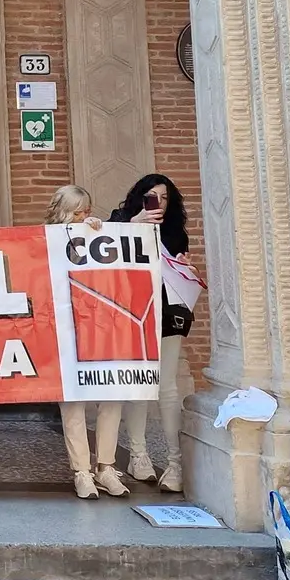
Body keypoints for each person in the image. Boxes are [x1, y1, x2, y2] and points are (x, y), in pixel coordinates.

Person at [112, 173, 201, 493]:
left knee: (167, 387)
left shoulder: (175, 233)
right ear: (139, 197)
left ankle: (175, 463)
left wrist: (184, 267)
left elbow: (176, 266)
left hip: (167, 312)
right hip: (133, 313)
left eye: (164, 198)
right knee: (138, 384)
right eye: (152, 196)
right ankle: (138, 456)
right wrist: (134, 223)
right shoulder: (120, 221)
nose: (158, 203)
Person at [44, 185, 131, 500]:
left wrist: (98, 235)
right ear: (64, 212)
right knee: (72, 402)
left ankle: (106, 466)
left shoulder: (99, 235)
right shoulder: (46, 239)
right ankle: (81, 470)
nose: (85, 216)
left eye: (87, 210)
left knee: (112, 394)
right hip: (65, 329)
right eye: (78, 211)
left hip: (101, 325)